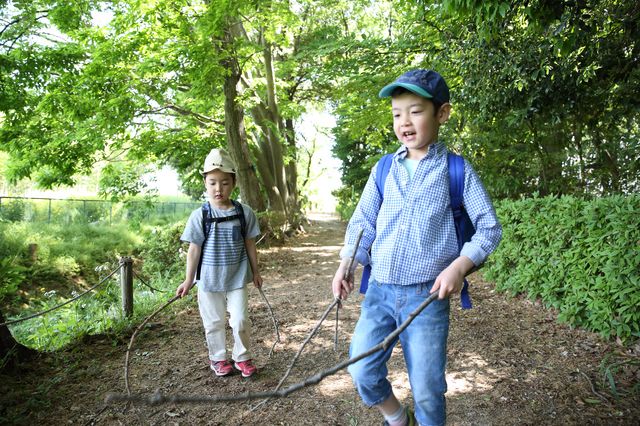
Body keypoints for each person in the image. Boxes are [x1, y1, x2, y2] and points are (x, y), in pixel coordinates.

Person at [331, 69, 502, 426]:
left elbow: (488, 228)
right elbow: (363, 222)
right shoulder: (383, 170)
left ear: (442, 113)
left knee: (427, 389)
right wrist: (347, 262)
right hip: (379, 290)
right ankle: (395, 416)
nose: (404, 121)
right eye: (396, 114)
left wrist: (459, 266)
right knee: (362, 368)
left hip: (427, 298)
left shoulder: (456, 171)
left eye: (415, 111)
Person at [176, 148, 263, 378]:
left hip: (237, 277)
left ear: (233, 182)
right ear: (205, 183)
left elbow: (250, 244)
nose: (218, 188)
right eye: (212, 182)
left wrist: (256, 272)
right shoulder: (200, 216)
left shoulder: (245, 213)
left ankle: (242, 357)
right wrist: (188, 280)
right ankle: (218, 358)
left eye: (224, 183)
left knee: (240, 319)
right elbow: (194, 249)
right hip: (208, 280)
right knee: (213, 322)